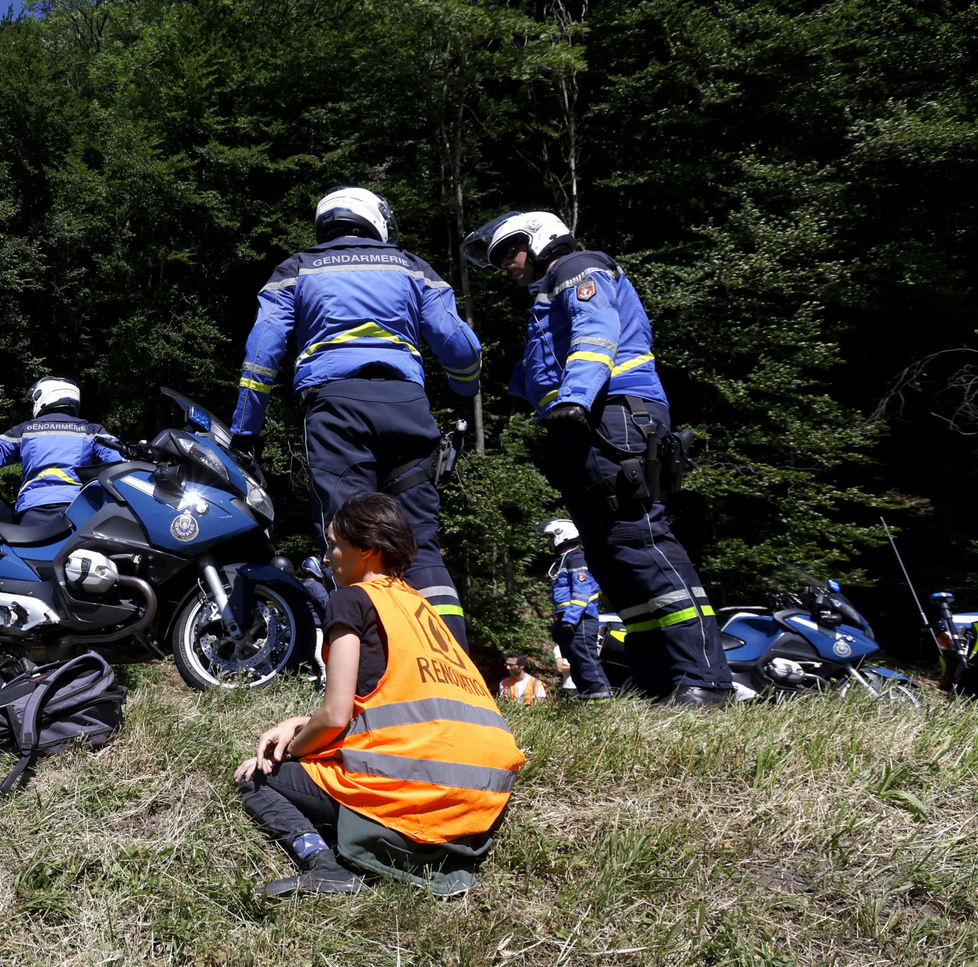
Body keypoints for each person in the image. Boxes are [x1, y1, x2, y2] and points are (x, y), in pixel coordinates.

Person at [464, 210, 735, 706]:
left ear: (540, 241)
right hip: (586, 423)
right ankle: (660, 683)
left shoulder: (577, 267)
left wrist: (576, 397)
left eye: (510, 251)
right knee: (613, 556)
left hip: (612, 414)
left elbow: (596, 332)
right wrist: (506, 372)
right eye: (499, 257)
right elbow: (544, 374)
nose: (505, 265)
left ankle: (705, 680)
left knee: (640, 539)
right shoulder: (548, 300)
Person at [233, 492, 524, 897]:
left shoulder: (350, 600)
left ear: (367, 549)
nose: (330, 555)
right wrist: (298, 722)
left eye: (335, 543)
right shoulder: (420, 607)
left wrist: (290, 751)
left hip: (424, 792)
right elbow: (392, 699)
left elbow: (336, 716)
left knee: (256, 778)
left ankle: (324, 866)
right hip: (485, 799)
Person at [230, 187, 483, 645]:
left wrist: (246, 428)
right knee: (420, 538)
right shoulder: (411, 266)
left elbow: (262, 351)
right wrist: (466, 387)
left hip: (337, 408)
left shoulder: (297, 268)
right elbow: (460, 346)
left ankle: (368, 665)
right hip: (407, 407)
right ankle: (451, 662)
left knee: (351, 535)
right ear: (377, 220)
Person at [0, 378, 123, 525]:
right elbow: (120, 459)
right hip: (81, 508)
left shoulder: (24, 430)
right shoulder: (92, 430)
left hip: (35, 509)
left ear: (44, 398)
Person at [543, 518, 609, 700]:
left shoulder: (577, 558)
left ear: (561, 535)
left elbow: (582, 591)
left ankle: (601, 696)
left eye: (550, 538)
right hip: (568, 619)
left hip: (581, 618)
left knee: (585, 657)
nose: (549, 542)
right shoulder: (564, 560)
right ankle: (586, 696)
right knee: (574, 659)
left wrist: (570, 619)